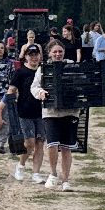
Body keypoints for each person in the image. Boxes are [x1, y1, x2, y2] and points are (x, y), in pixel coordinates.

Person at [32, 38, 80, 191]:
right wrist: (40, 93)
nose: (58, 54)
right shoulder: (43, 68)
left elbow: (81, 81)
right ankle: (53, 173)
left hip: (70, 111)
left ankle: (66, 180)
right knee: (52, 144)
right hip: (50, 112)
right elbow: (35, 86)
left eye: (60, 51)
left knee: (66, 147)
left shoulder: (72, 65)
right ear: (49, 53)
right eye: (55, 52)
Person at [8, 43, 47, 183]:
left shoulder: (45, 71)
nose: (34, 57)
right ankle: (21, 165)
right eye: (31, 55)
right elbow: (11, 91)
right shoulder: (20, 72)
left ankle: (36, 173)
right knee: (29, 143)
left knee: (40, 143)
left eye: (36, 54)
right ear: (25, 57)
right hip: (24, 111)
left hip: (42, 112)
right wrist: (8, 109)